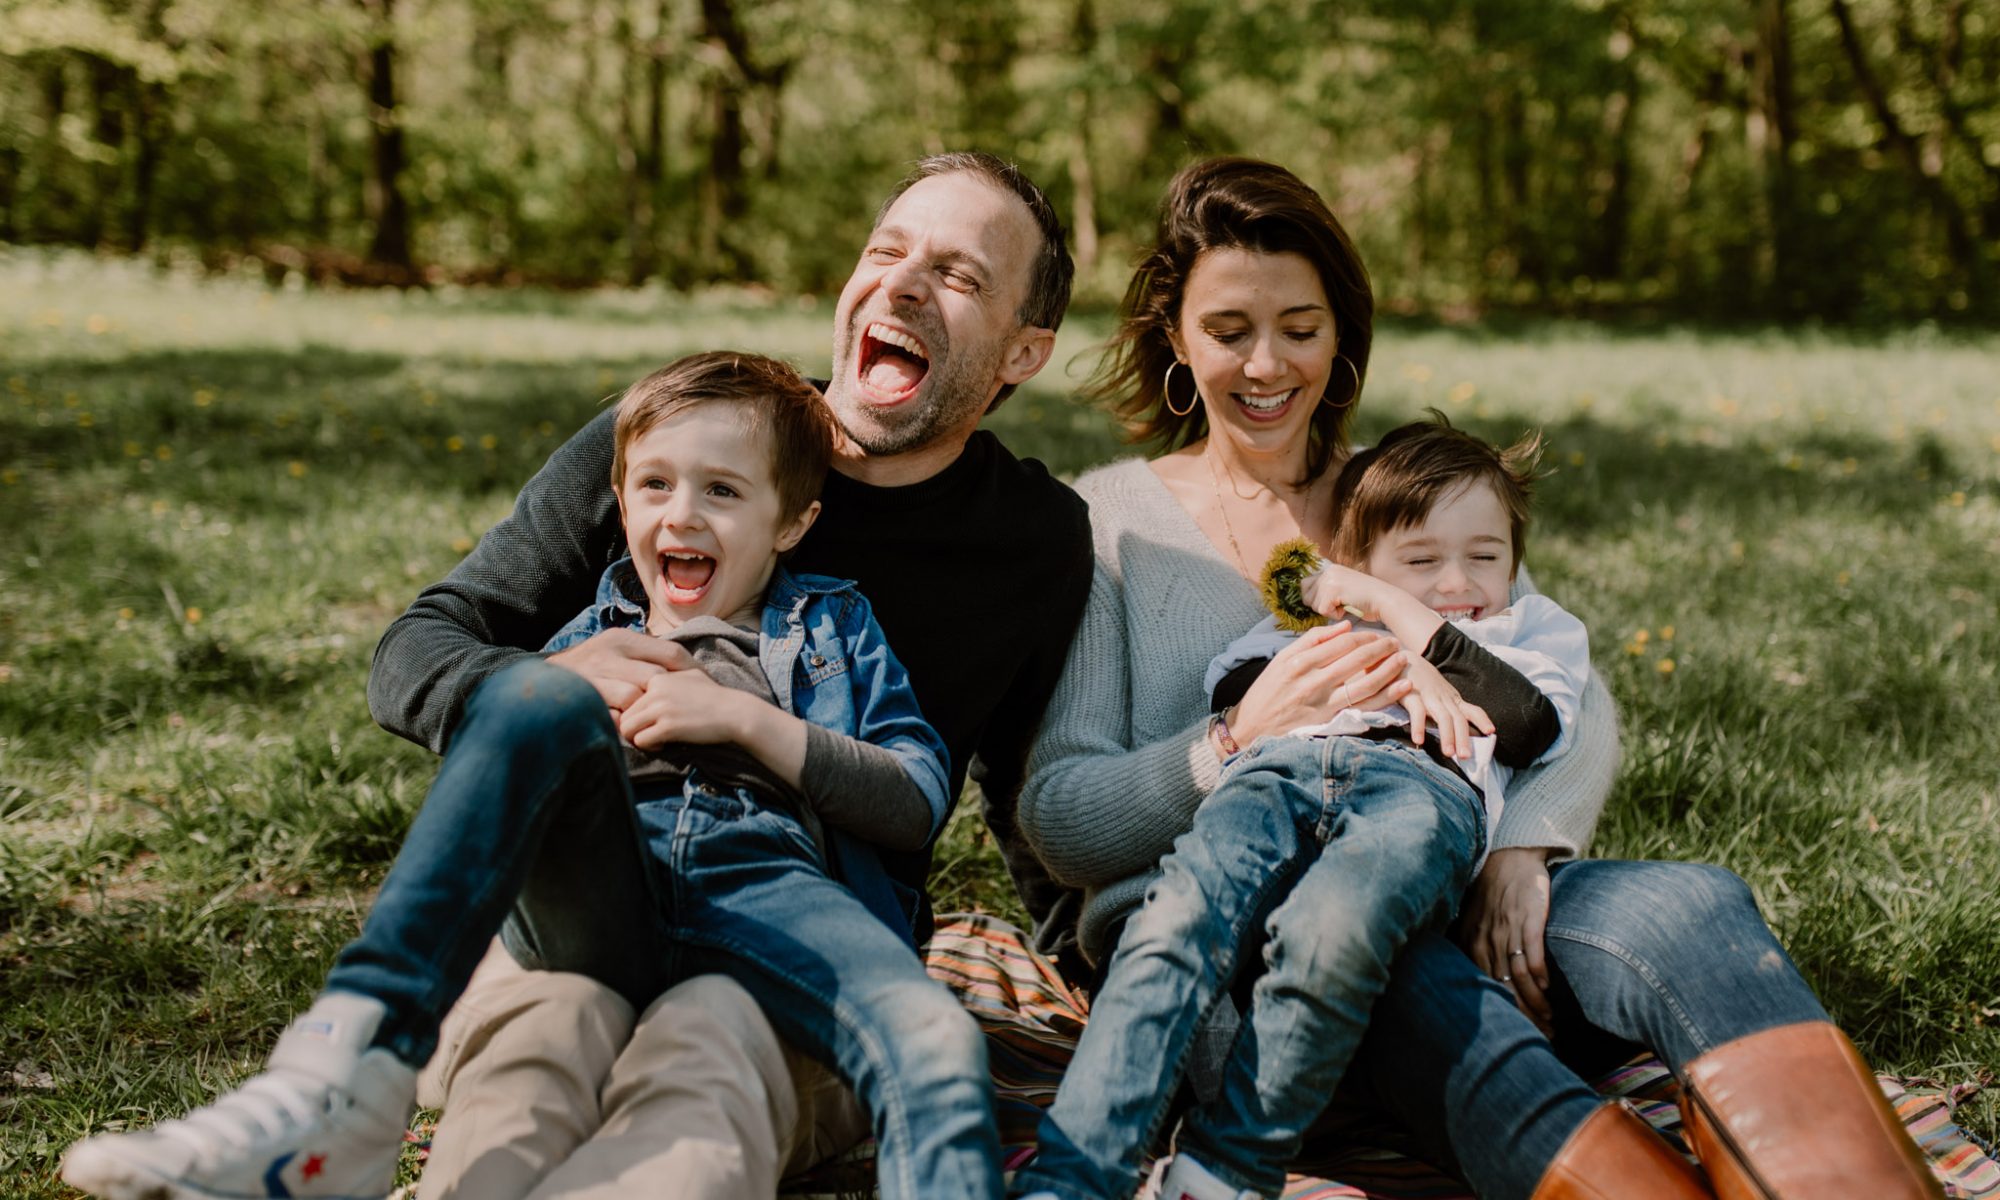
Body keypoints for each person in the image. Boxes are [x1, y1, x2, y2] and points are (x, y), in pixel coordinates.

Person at [62, 153, 1094, 1200]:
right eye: (885, 250)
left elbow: (1018, 802)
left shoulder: (1031, 540)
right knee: (540, 1035)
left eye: (959, 275)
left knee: (711, 1052)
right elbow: (423, 643)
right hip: (586, 898)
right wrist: (559, 677)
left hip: (799, 934)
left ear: (1023, 350)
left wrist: (1096, 982)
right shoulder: (684, 438)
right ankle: (336, 1091)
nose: (904, 283)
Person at [1013, 155, 1943, 1200]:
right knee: (1411, 979)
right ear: (1174, 337)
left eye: (1300, 328)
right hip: (1245, 941)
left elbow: (1562, 694)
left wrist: (1520, 852)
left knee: (1689, 909)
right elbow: (1059, 819)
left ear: (1340, 336)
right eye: (1229, 330)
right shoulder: (1112, 528)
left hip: (1446, 862)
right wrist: (1226, 742)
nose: (1266, 364)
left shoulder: (1404, 491)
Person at [1017, 415, 1607, 1200]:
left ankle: (1226, 1169)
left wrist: (1406, 628)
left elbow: (1527, 723)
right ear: (1361, 565)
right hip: (1276, 775)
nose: (1459, 584)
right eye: (1421, 561)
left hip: (1418, 792)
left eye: (1486, 558)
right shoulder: (1313, 627)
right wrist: (1352, 626)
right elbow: (1237, 690)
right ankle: (1074, 1172)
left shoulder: (1528, 632)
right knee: (1177, 926)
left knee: (1332, 937)